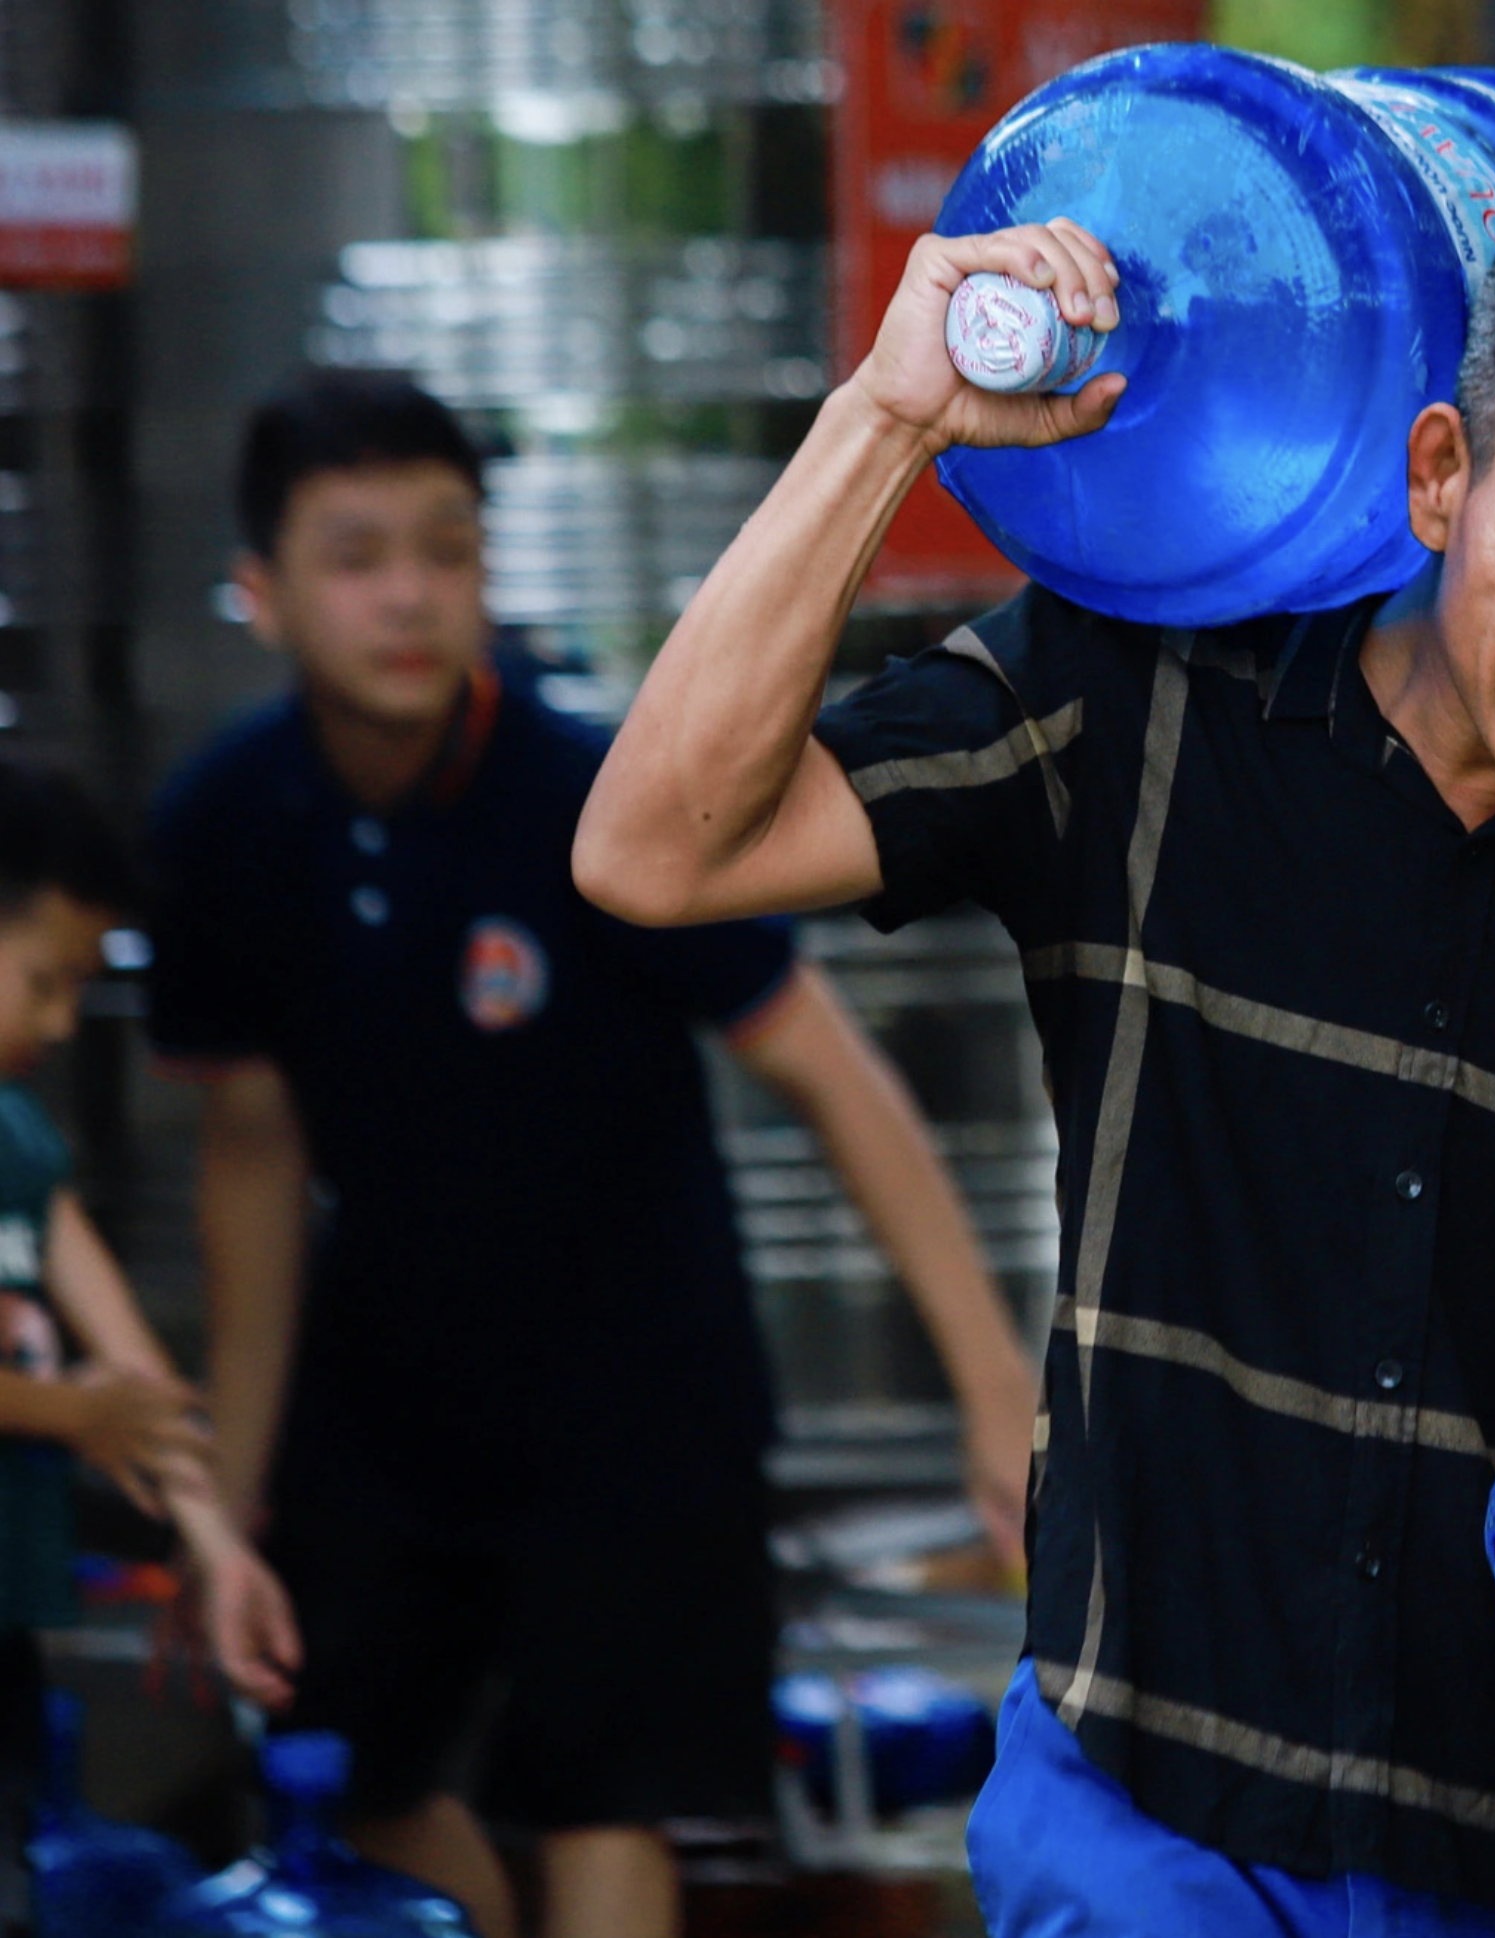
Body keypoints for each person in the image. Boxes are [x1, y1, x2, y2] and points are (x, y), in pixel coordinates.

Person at [575, 206, 1495, 1935]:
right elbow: (656, 850)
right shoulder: (1137, 689)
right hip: (1152, 1824)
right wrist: (888, 417)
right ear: (1442, 472)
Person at [143, 372, 1038, 1938]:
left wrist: (989, 1389)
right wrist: (227, 1493)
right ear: (258, 594)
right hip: (384, 1409)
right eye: (357, 557)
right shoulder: (223, 826)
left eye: (446, 547)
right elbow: (248, 1164)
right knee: (352, 1779)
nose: (410, 595)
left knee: (606, 1804)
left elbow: (837, 1077)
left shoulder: (591, 797)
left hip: (633, 1407)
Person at [0, 764, 298, 1935]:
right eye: (44, 982)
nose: (66, 1023)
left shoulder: (19, 1138)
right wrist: (65, 1417)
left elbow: (133, 1376)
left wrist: (217, 1546)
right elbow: (95, 1406)